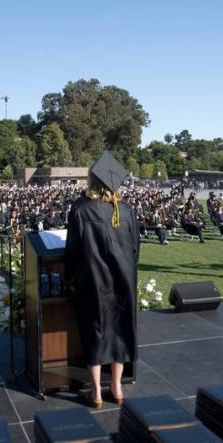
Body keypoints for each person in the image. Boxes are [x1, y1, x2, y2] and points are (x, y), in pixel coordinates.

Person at [64, 152, 138, 408]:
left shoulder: (81, 209)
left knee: (94, 331)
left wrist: (70, 278)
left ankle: (96, 392)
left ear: (92, 181)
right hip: (122, 282)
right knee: (120, 330)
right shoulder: (126, 211)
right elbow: (135, 249)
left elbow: (72, 250)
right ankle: (116, 388)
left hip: (92, 282)